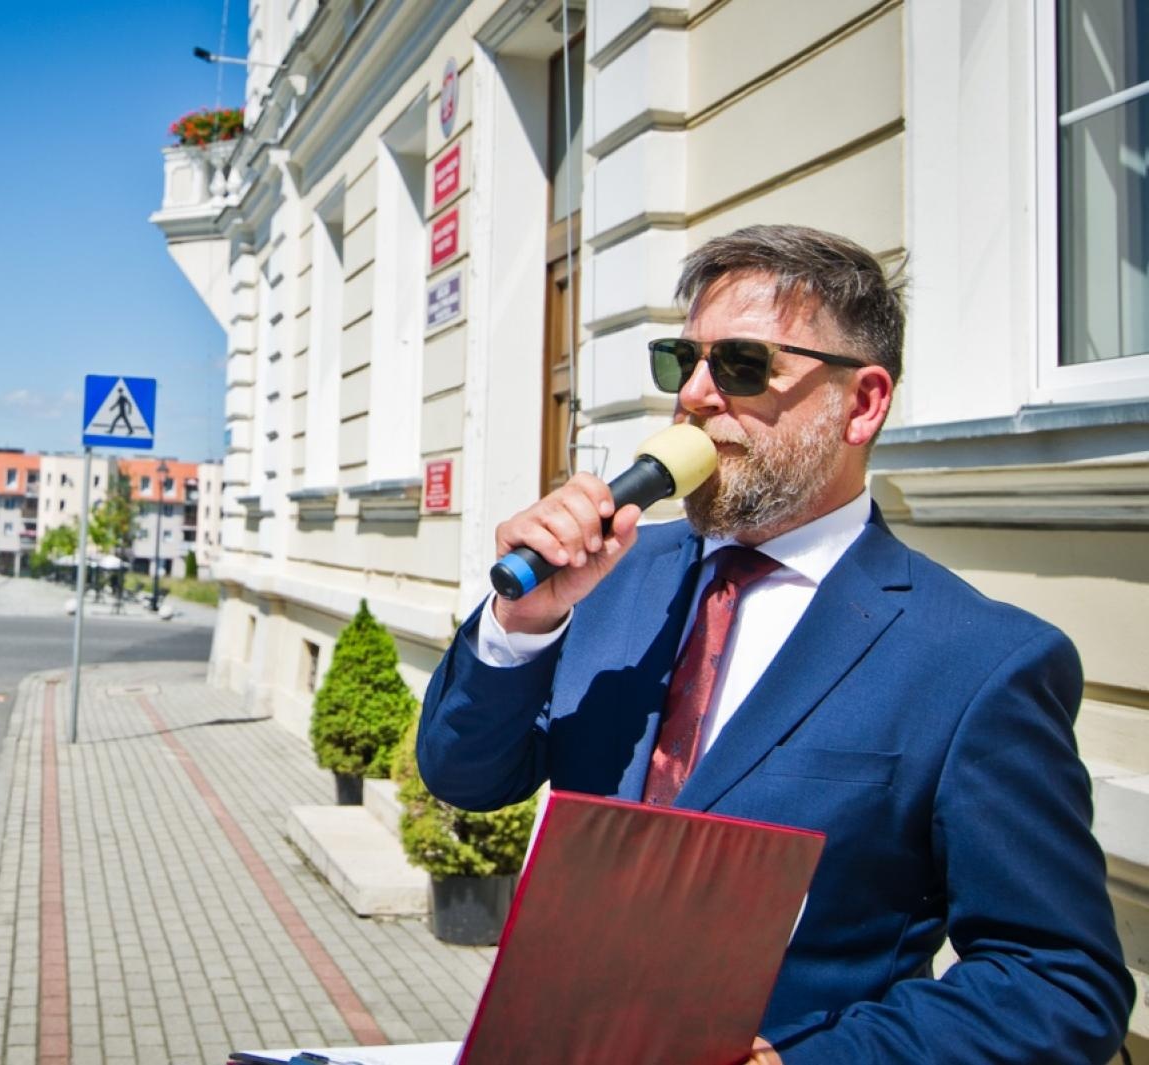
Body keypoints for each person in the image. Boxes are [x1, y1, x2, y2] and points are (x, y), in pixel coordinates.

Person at [416, 225, 1132, 1064]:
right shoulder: (611, 580)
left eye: (743, 365)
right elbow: (465, 776)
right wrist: (521, 627)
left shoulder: (978, 660)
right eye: (683, 361)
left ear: (861, 403)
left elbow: (1056, 980)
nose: (695, 396)